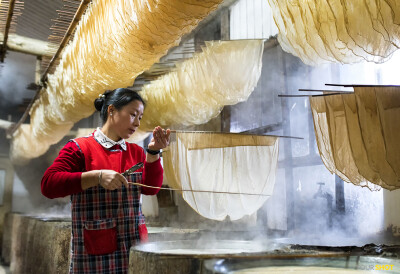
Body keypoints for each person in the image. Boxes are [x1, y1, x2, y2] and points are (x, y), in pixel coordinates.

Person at [41, 88, 170, 273]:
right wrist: (96, 177)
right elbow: (48, 184)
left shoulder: (136, 152)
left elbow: (151, 189)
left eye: (140, 117)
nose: (137, 122)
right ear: (111, 111)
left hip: (133, 246)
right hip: (95, 251)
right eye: (133, 114)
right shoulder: (79, 148)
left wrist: (153, 153)